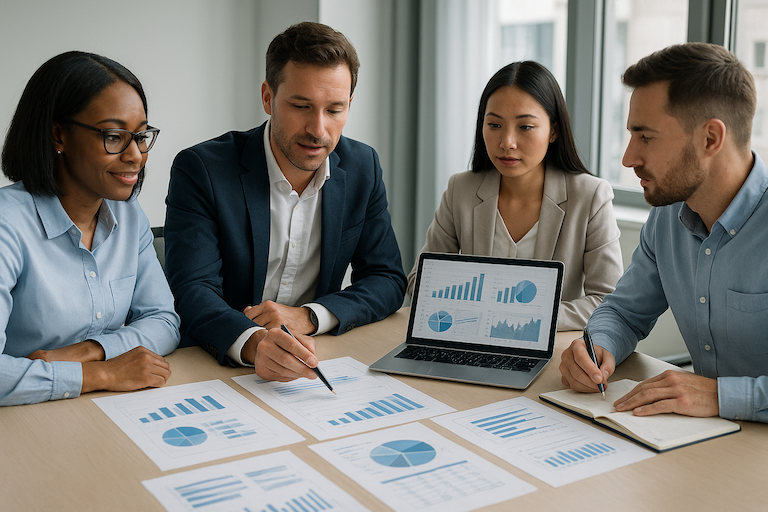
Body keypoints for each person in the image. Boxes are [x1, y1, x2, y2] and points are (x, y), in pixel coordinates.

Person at [164, 22, 406, 382]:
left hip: (314, 357)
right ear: (268, 98)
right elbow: (191, 290)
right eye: (301, 106)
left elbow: (387, 278)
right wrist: (254, 343)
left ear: (349, 105)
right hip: (215, 364)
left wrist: (310, 316)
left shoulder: (362, 167)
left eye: (334, 110)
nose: (318, 129)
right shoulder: (202, 169)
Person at [559, 42, 768, 423]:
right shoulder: (668, 215)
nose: (628, 158)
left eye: (646, 137)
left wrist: (721, 396)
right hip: (701, 437)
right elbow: (624, 312)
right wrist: (597, 346)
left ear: (710, 139)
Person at [0, 51, 180, 406]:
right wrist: (104, 374)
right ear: (58, 135)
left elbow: (163, 321)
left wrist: (91, 351)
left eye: (141, 136)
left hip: (95, 411)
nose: (136, 155)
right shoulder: (7, 224)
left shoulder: (128, 213)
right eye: (114, 136)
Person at [407, 61, 623, 331]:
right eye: (494, 124)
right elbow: (420, 283)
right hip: (470, 338)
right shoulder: (460, 190)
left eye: (525, 127)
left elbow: (608, 301)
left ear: (553, 131)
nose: (507, 142)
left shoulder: (590, 196)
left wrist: (522, 316)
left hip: (549, 346)